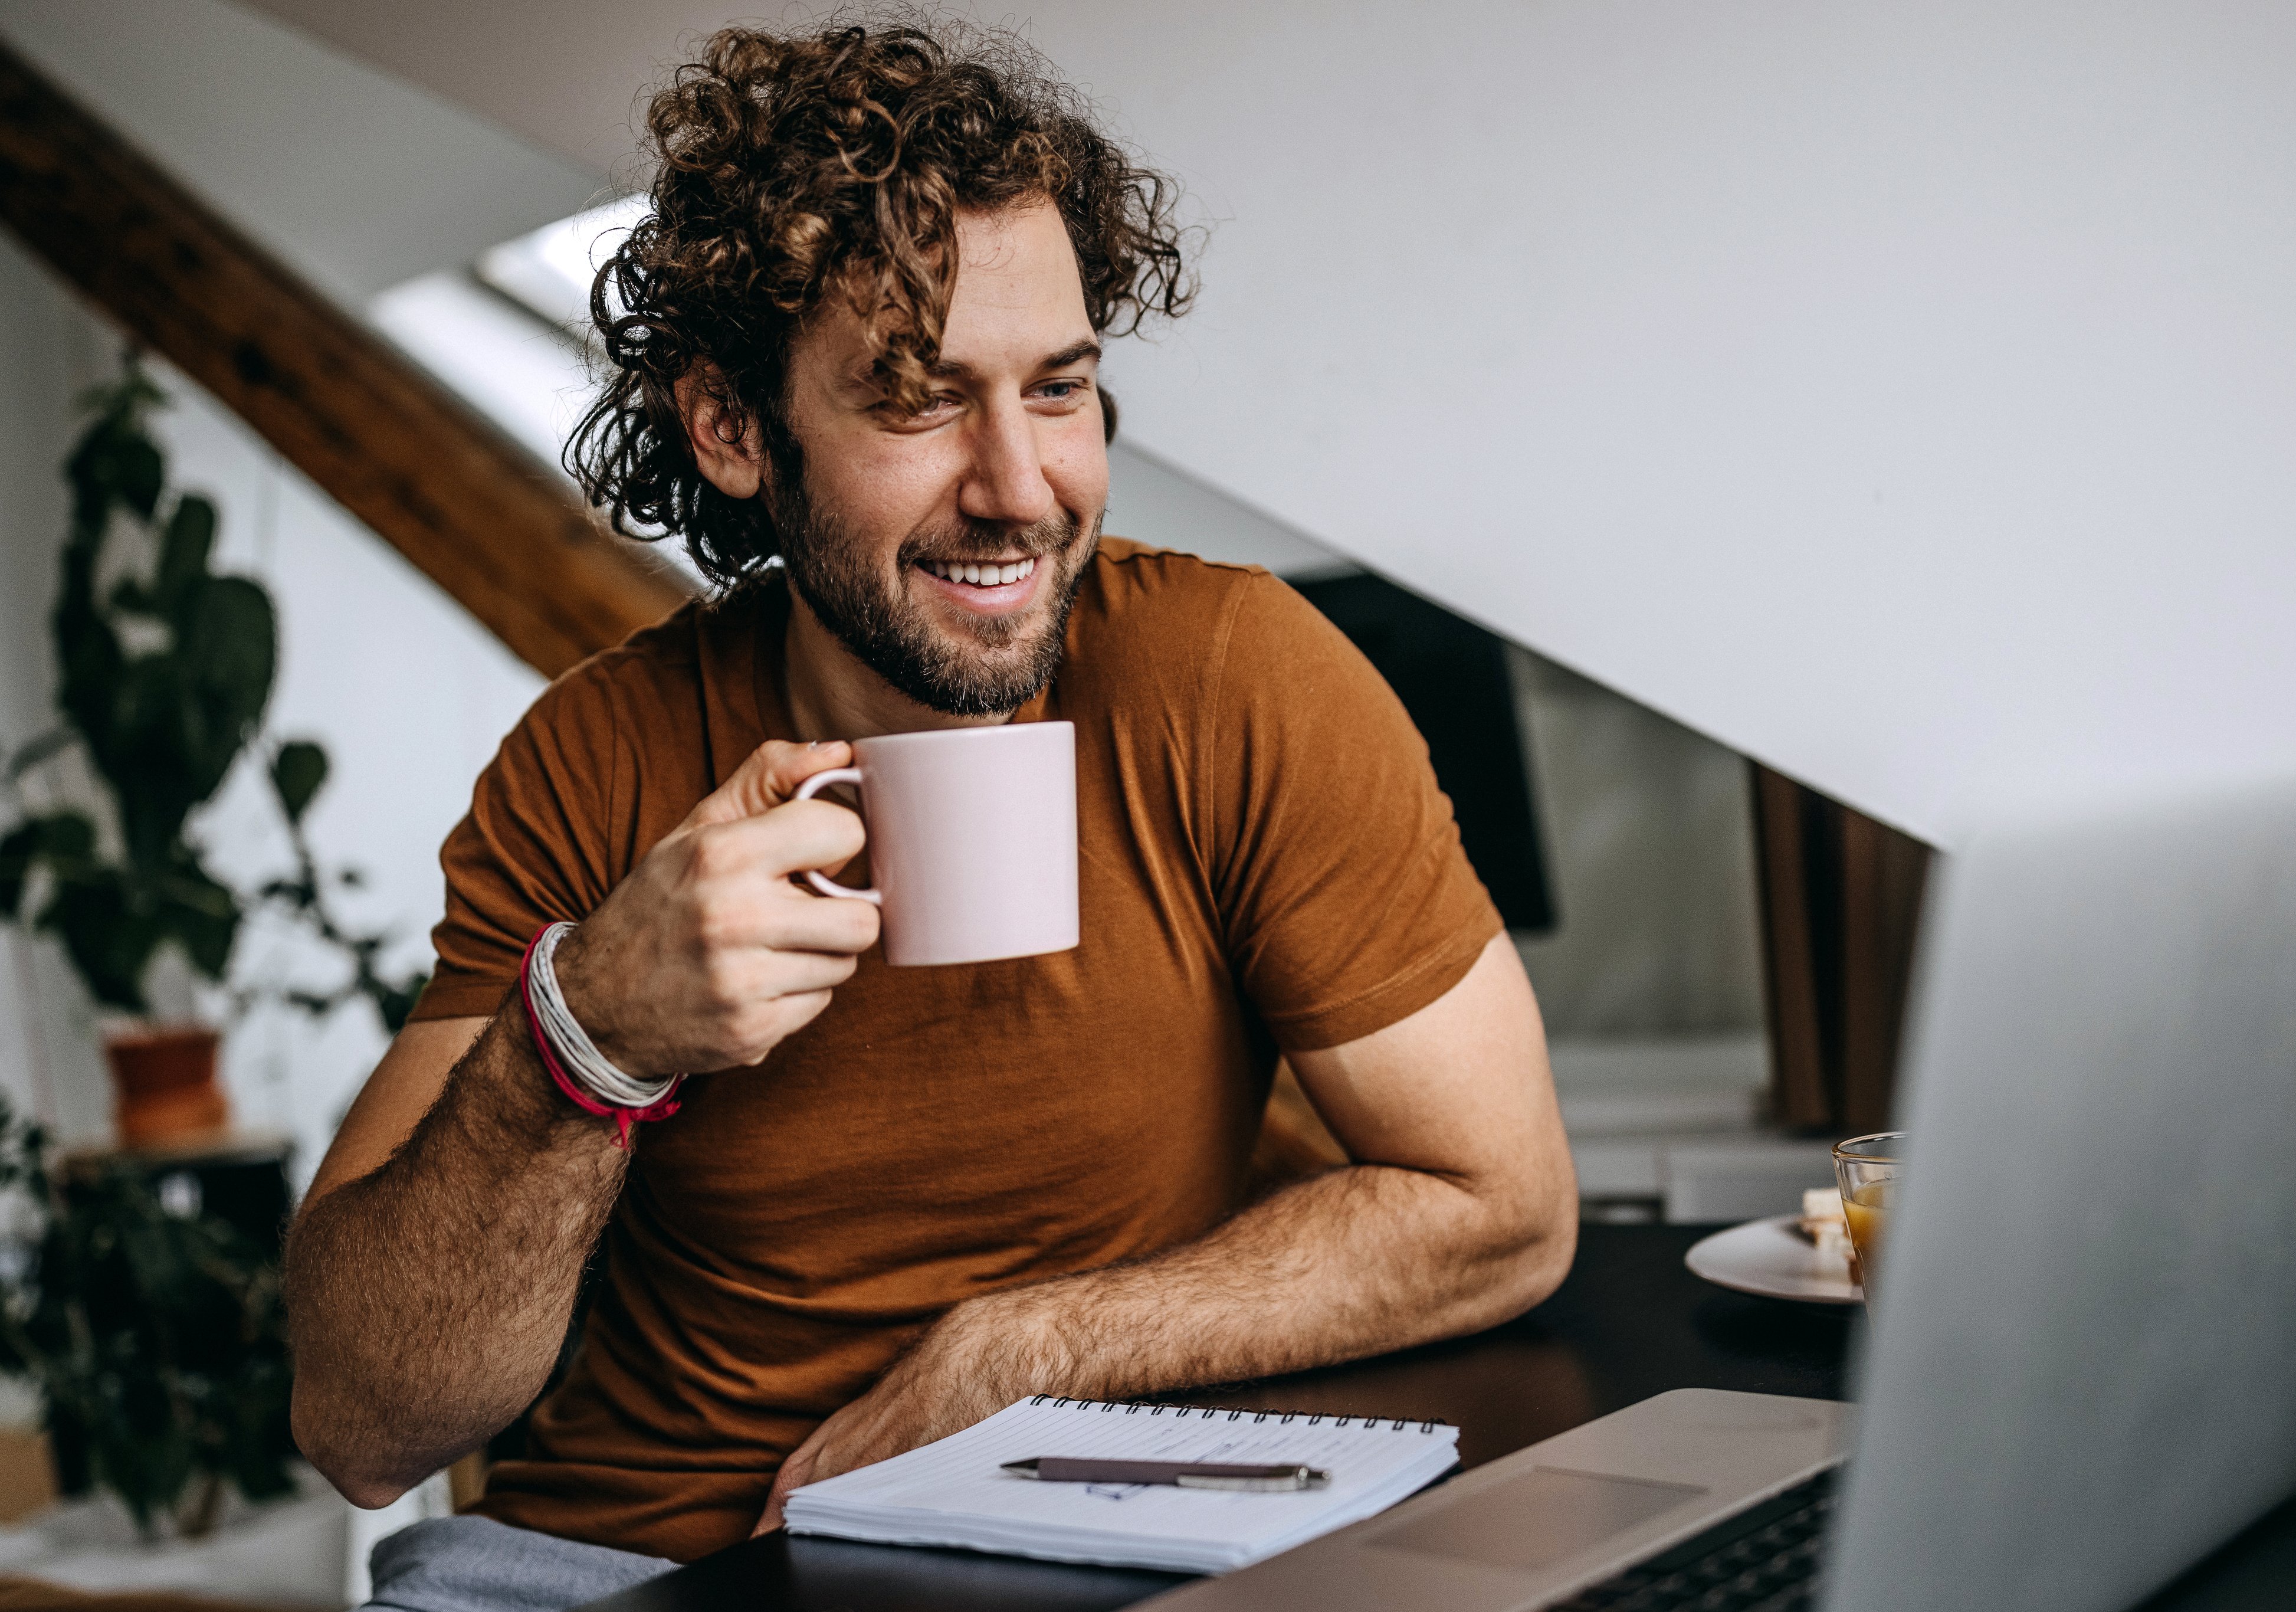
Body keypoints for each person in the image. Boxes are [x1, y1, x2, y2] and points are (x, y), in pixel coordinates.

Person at [284, 18, 1575, 1605]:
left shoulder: (1234, 682)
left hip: (1078, 1532)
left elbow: (1502, 1208)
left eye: (1061, 388)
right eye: (918, 399)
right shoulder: (598, 760)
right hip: (622, 1565)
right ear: (733, 426)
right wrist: (592, 1032)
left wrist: (1025, 1352)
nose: (1021, 487)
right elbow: (365, 1426)